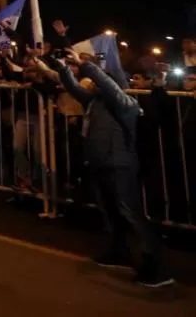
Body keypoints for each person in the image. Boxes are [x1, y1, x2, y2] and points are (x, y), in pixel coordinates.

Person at [42, 49, 173, 287]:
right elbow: (72, 86)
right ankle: (119, 252)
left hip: (119, 165)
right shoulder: (94, 101)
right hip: (99, 163)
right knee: (109, 212)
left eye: (94, 81)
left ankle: (157, 266)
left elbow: (108, 86)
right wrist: (60, 66)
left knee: (131, 213)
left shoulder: (125, 103)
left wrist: (86, 65)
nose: (89, 84)